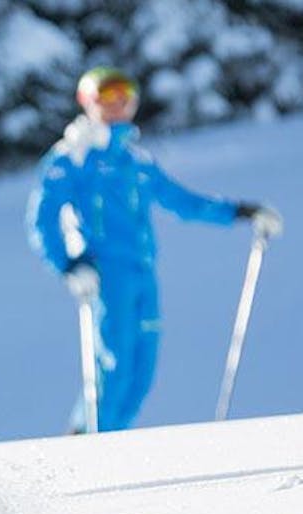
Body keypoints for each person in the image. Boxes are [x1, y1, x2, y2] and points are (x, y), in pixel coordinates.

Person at [28, 67, 283, 434]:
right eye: (106, 95)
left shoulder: (135, 161)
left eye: (125, 95)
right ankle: (87, 442)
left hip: (143, 272)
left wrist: (240, 212)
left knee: (141, 373)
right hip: (106, 274)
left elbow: (182, 202)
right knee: (114, 369)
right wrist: (68, 266)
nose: (117, 104)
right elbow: (42, 219)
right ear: (87, 102)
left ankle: (113, 444)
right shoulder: (73, 158)